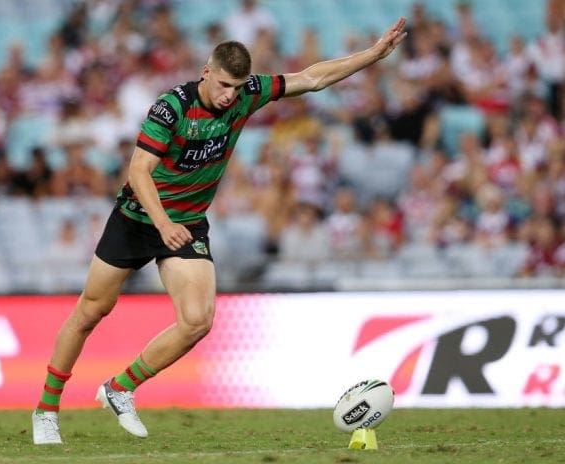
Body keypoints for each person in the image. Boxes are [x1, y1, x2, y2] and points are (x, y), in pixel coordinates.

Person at [32, 17, 407, 445]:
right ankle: (46, 409)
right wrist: (163, 223)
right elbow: (138, 171)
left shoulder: (248, 94)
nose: (230, 95)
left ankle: (120, 388)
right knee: (90, 312)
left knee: (198, 321)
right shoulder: (171, 107)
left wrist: (372, 55)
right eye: (224, 84)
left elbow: (311, 78)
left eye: (238, 87)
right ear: (206, 71)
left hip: (188, 222)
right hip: (139, 218)